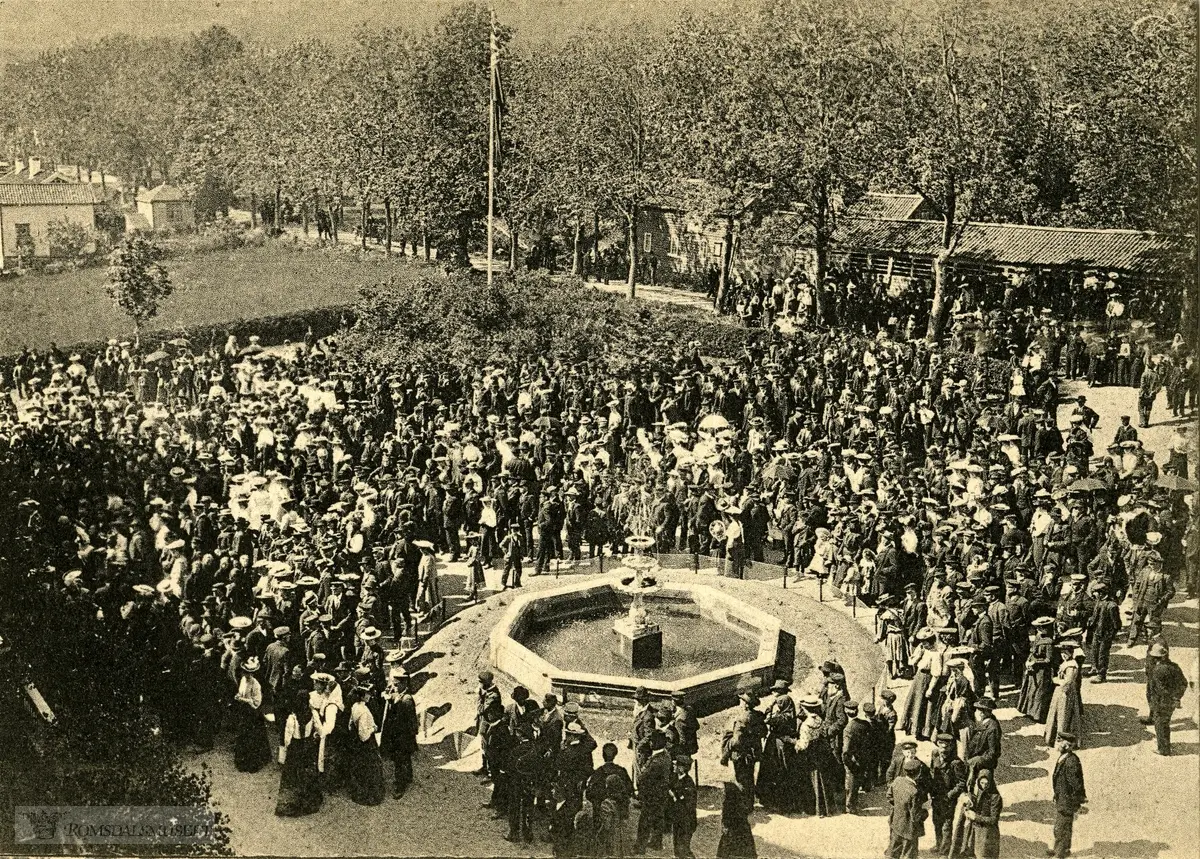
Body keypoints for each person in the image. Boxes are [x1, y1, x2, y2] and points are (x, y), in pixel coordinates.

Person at [275, 689, 323, 817]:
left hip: (295, 747)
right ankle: (308, 801)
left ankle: (291, 803)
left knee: (292, 774)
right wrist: (315, 734)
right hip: (307, 746)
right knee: (307, 772)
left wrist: (286, 749)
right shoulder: (313, 714)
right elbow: (320, 729)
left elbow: (287, 737)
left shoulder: (292, 717)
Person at [379, 667, 418, 798]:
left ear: (404, 684)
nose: (394, 687)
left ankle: (400, 786)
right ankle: (408, 777)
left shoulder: (407, 700)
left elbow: (411, 722)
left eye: (396, 685)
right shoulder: (399, 695)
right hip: (398, 735)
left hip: (403, 737)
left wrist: (408, 737)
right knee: (404, 759)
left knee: (400, 760)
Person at [947, 769, 1002, 859]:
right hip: (974, 831)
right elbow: (972, 805)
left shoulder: (996, 797)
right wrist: (966, 800)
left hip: (987, 833)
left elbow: (993, 819)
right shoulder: (978, 793)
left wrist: (975, 817)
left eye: (986, 783)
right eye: (982, 783)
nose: (984, 786)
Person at [1146, 641, 1189, 755]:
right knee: (1166, 722)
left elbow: (1159, 689)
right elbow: (1184, 683)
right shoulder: (1175, 667)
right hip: (1172, 702)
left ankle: (1163, 749)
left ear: (1156, 657)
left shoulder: (1157, 670)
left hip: (1161, 702)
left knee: (1160, 724)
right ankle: (1165, 745)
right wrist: (1177, 697)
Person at [346, 683, 386, 805]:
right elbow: (363, 735)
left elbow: (350, 725)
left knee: (360, 768)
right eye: (368, 694)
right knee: (370, 769)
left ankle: (359, 792)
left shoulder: (355, 706)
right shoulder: (363, 711)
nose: (369, 696)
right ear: (362, 696)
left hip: (357, 744)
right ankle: (369, 796)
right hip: (366, 744)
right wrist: (373, 729)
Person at [1049, 732, 1086, 859]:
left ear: (1066, 745)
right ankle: (1060, 849)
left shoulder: (1070, 761)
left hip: (1067, 799)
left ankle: (1060, 853)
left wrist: (1076, 801)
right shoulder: (1063, 757)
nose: (1056, 744)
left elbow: (1075, 784)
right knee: (1062, 825)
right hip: (1062, 797)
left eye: (1059, 742)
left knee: (1061, 827)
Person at [633, 731, 671, 854]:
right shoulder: (666, 755)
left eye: (651, 741)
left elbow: (643, 777)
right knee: (658, 818)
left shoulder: (656, 762)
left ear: (654, 743)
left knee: (644, 821)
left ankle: (640, 847)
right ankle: (656, 842)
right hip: (661, 793)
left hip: (652, 795)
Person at [232, 656, 272, 772]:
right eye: (245, 672)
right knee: (243, 735)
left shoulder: (256, 685)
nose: (246, 674)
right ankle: (242, 761)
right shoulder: (243, 680)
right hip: (244, 711)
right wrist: (238, 696)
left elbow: (256, 703)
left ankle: (253, 763)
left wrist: (244, 700)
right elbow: (241, 693)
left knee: (253, 738)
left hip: (253, 713)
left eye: (248, 673)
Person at [1044, 641, 1084, 747]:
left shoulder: (1071, 666)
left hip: (1066, 694)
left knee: (1064, 715)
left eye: (1065, 653)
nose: (1063, 655)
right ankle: (1052, 738)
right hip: (1060, 692)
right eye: (1062, 653)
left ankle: (1062, 740)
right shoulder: (1066, 663)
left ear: (1070, 653)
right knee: (1056, 714)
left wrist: (1056, 680)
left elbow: (1068, 682)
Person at [886, 758, 926, 859]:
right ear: (918, 773)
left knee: (893, 851)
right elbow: (916, 815)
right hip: (910, 828)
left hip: (896, 823)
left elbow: (889, 796)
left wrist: (899, 806)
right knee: (909, 854)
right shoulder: (914, 791)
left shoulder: (897, 780)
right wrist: (925, 812)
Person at [1018, 617, 1056, 721]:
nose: (1038, 630)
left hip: (1042, 671)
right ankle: (1029, 711)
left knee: (1040, 692)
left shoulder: (1049, 642)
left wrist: (1036, 662)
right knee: (1031, 690)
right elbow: (1032, 651)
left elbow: (1048, 660)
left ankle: (1038, 715)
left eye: (1040, 628)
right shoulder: (1038, 637)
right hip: (1033, 669)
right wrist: (1028, 660)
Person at [716, 780, 756, 859]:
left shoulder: (730, 805)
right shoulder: (738, 803)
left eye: (724, 791)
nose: (722, 793)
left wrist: (725, 826)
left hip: (734, 834)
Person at [669, 754, 698, 859]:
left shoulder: (688, 783)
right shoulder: (675, 778)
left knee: (683, 848)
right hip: (678, 818)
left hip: (686, 821)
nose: (673, 766)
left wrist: (674, 796)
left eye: (676, 765)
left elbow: (688, 804)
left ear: (681, 768)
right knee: (676, 844)